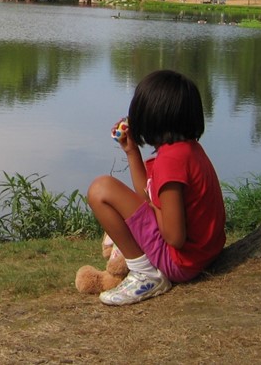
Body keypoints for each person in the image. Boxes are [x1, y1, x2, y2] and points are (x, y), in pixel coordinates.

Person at [86, 69, 226, 306]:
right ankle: (140, 263)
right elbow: (147, 192)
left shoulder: (170, 162)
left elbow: (174, 237)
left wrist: (150, 209)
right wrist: (132, 152)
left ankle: (146, 274)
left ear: (151, 117)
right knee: (117, 206)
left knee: (101, 189)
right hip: (204, 255)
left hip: (181, 261)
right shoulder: (185, 151)